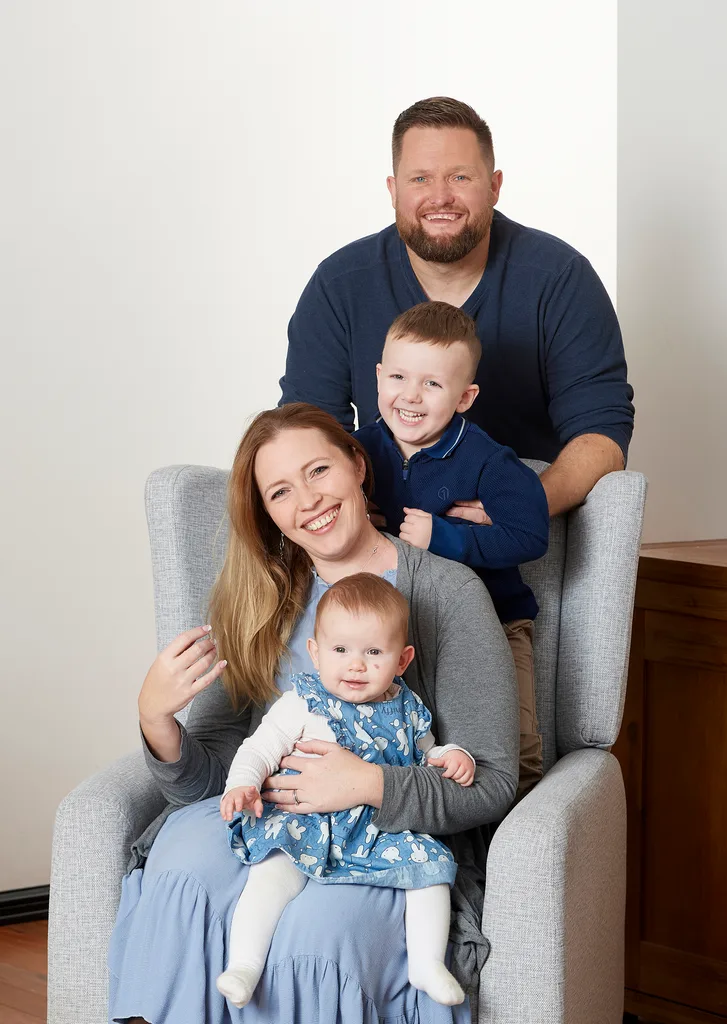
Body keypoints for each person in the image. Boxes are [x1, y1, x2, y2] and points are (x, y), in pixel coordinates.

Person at [108, 402, 519, 1024]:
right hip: (273, 823)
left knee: (316, 937)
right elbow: (213, 781)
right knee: (181, 866)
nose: (308, 501)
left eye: (318, 470)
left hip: (385, 832)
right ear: (268, 512)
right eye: (280, 491)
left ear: (358, 465)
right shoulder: (257, 600)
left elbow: (491, 781)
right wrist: (157, 722)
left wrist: (367, 783)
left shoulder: (448, 593)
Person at [280, 96, 635, 518]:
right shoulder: (338, 285)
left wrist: (517, 509)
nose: (440, 197)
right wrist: (352, 517)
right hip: (381, 529)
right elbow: (306, 432)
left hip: (521, 528)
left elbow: (602, 433)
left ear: (494, 187)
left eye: (460, 177)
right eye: (420, 179)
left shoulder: (560, 278)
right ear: (393, 190)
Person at [217, 572, 476, 1009]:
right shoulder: (302, 702)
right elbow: (259, 748)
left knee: (432, 869)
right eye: (340, 650)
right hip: (304, 819)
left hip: (379, 826)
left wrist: (451, 755)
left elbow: (426, 754)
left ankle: (427, 963)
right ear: (315, 653)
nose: (356, 665)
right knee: (271, 876)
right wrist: (242, 783)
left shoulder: (407, 708)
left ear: (402, 660)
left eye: (374, 652)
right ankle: (244, 964)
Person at [355, 300, 548, 797]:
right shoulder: (357, 450)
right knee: (413, 740)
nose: (410, 396)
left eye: (433, 384)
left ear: (465, 397)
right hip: (398, 627)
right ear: (378, 377)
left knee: (515, 746)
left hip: (496, 621)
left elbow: (531, 535)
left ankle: (517, 834)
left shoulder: (488, 460)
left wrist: (444, 537)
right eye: (398, 377)